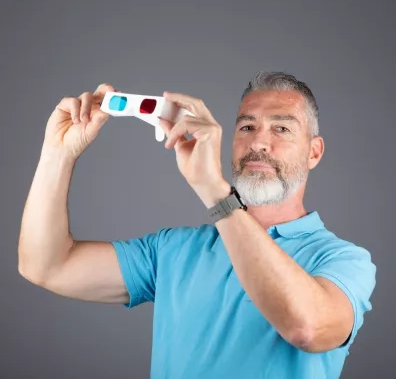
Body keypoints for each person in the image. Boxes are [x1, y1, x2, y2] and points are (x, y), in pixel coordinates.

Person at [18, 72, 376, 379]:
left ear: (314, 152)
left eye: (281, 128)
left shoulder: (344, 261)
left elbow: (307, 327)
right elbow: (46, 265)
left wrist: (213, 189)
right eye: (247, 126)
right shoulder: (175, 250)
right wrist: (58, 151)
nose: (259, 142)